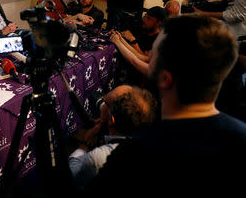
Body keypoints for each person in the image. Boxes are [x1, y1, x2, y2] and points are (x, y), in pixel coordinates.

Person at [85, 14, 246, 196]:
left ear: (165, 78)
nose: (149, 55)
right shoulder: (241, 138)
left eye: (154, 53)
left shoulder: (133, 156)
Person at [68, 85, 157, 190]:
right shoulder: (155, 144)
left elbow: (73, 174)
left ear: (111, 120)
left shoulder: (98, 158)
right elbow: (125, 88)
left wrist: (85, 145)